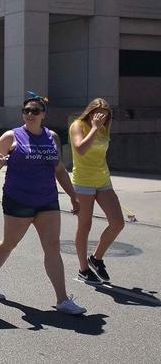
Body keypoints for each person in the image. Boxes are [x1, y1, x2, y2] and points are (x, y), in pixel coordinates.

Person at [0, 94, 86, 315]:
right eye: (26, 110)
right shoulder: (11, 137)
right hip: (18, 199)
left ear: (43, 114)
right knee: (9, 243)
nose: (30, 114)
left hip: (47, 200)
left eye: (35, 111)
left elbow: (58, 169)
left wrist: (73, 196)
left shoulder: (52, 138)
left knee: (52, 247)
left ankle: (63, 300)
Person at [69, 98, 124, 284]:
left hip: (103, 180)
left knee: (117, 222)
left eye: (105, 113)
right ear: (90, 112)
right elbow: (80, 149)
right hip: (83, 181)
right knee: (85, 225)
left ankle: (96, 258)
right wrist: (93, 127)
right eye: (97, 112)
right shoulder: (78, 125)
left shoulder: (104, 127)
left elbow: (101, 155)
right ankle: (83, 269)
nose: (100, 117)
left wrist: (99, 127)